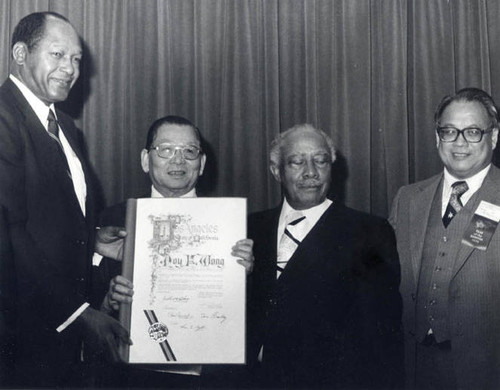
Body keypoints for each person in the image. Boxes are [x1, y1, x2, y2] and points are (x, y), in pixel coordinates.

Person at [0, 12, 129, 387]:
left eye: (76, 60)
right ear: (20, 54)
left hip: (59, 334)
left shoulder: (65, 125)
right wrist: (79, 313)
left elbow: (49, 216)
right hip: (20, 332)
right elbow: (9, 231)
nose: (70, 69)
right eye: (57, 55)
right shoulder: (3, 117)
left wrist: (95, 239)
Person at [95, 115, 254, 387]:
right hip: (133, 378)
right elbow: (88, 308)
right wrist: (110, 302)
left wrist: (243, 279)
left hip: (209, 379)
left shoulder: (228, 225)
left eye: (190, 151)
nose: (178, 160)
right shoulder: (113, 221)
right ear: (146, 159)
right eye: (166, 149)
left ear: (201, 164)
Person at [246, 123, 403, 388]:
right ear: (276, 171)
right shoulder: (248, 228)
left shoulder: (370, 232)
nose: (311, 172)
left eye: (320, 161)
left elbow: (379, 334)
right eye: (297, 162)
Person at [390, 87, 500, 389]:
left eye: (473, 132)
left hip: (486, 372)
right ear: (438, 138)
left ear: (493, 137)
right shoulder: (408, 198)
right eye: (449, 131)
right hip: (414, 368)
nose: (460, 142)